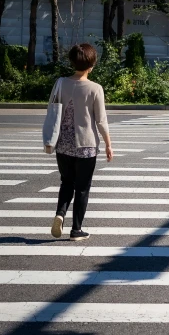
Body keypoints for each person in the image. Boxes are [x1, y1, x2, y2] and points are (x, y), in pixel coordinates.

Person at [46, 43, 114, 242]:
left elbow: (52, 108)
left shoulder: (61, 83)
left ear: (73, 62)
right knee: (82, 188)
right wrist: (109, 144)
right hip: (86, 146)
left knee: (66, 182)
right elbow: (101, 120)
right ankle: (76, 230)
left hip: (63, 144)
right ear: (92, 64)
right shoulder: (95, 88)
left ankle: (60, 213)